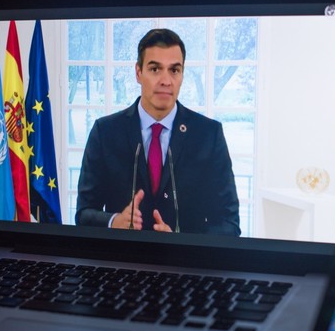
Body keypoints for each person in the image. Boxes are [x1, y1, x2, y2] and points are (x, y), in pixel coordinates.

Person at [76, 28, 240, 236]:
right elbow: (83, 214)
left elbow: (230, 223)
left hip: (186, 264)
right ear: (138, 73)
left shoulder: (209, 134)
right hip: (121, 261)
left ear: (182, 74)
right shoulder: (105, 132)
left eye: (174, 70)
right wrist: (114, 221)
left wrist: (181, 241)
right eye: (155, 69)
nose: (166, 80)